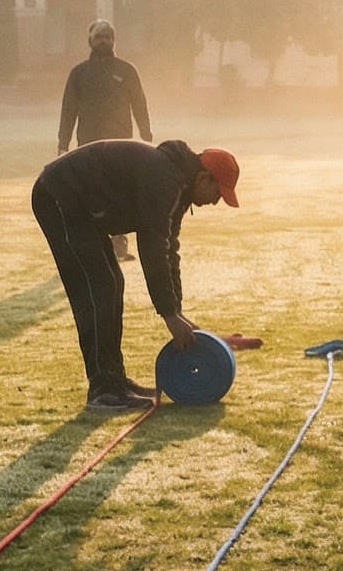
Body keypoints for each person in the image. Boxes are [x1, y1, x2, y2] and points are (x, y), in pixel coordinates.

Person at [32, 139, 239, 411]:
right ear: (203, 177)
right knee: (99, 288)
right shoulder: (165, 179)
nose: (215, 202)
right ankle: (103, 389)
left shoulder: (179, 188)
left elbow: (168, 250)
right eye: (217, 193)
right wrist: (168, 315)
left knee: (112, 283)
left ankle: (114, 381)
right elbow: (152, 247)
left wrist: (177, 311)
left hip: (80, 206)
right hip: (58, 195)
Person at [57, 18, 153, 261]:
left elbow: (139, 103)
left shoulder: (126, 70)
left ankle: (119, 247)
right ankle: (93, 246)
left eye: (108, 37)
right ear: (90, 41)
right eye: (99, 37)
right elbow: (68, 109)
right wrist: (63, 143)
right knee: (89, 195)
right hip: (88, 144)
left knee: (121, 193)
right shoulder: (79, 74)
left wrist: (146, 133)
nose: (103, 41)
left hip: (122, 145)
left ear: (113, 40)